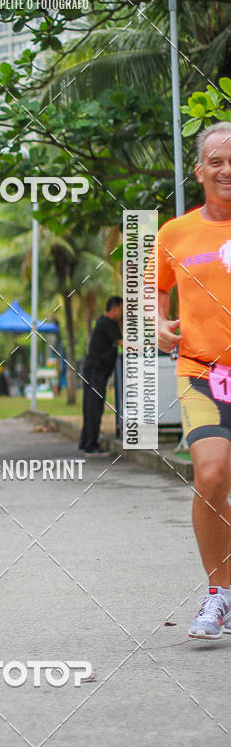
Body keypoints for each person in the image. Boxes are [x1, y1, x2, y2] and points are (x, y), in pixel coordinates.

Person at [157, 121, 231, 639]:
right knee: (210, 475)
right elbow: (153, 294)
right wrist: (159, 324)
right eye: (217, 161)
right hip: (203, 372)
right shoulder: (174, 234)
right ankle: (219, 594)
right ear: (201, 169)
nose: (227, 169)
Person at [78, 296, 123, 455]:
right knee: (94, 406)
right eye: (121, 309)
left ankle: (86, 442)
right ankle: (91, 445)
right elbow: (122, 342)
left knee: (89, 406)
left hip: (92, 369)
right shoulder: (108, 323)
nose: (122, 313)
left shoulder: (102, 322)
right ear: (115, 307)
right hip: (96, 370)